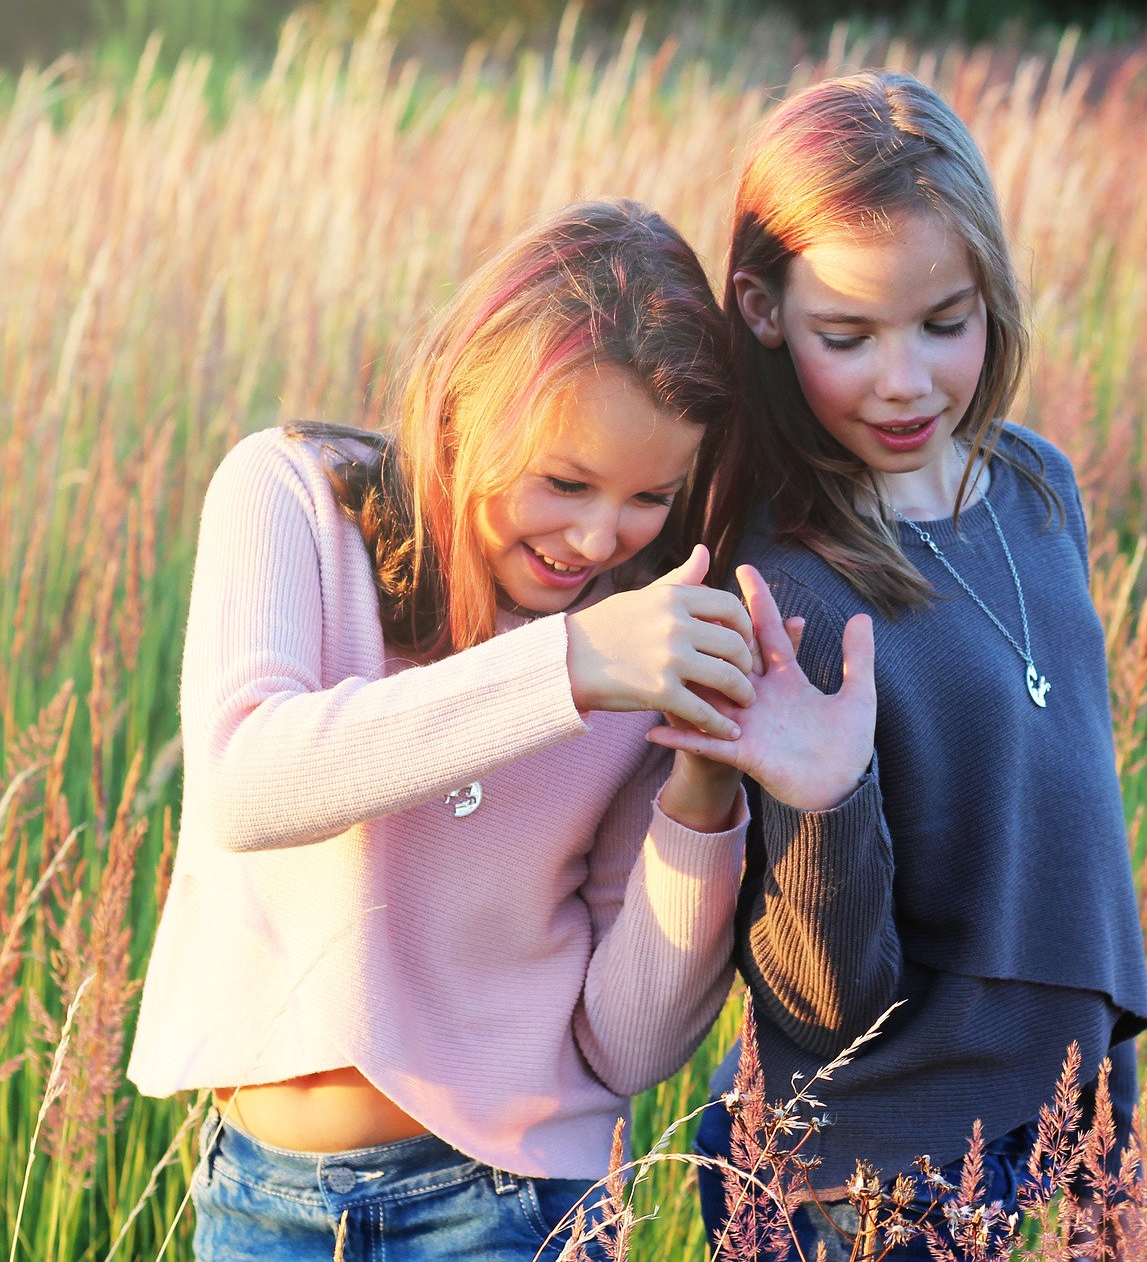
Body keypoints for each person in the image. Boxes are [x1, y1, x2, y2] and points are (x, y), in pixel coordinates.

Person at [127, 198, 872, 1261]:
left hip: (511, 1209)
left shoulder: (644, 633)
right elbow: (247, 783)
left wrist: (700, 794)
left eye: (648, 497)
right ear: (463, 402)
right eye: (563, 480)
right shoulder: (290, 495)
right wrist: (566, 667)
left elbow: (629, 1043)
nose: (594, 536)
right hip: (260, 1205)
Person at [658, 72, 1147, 1261]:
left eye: (947, 321)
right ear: (766, 314)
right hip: (871, 1183)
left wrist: (1115, 1129)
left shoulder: (1037, 490)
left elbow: (1079, 845)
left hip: (1049, 1141)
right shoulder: (795, 590)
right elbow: (825, 1005)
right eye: (849, 336)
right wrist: (822, 800)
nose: (905, 380)